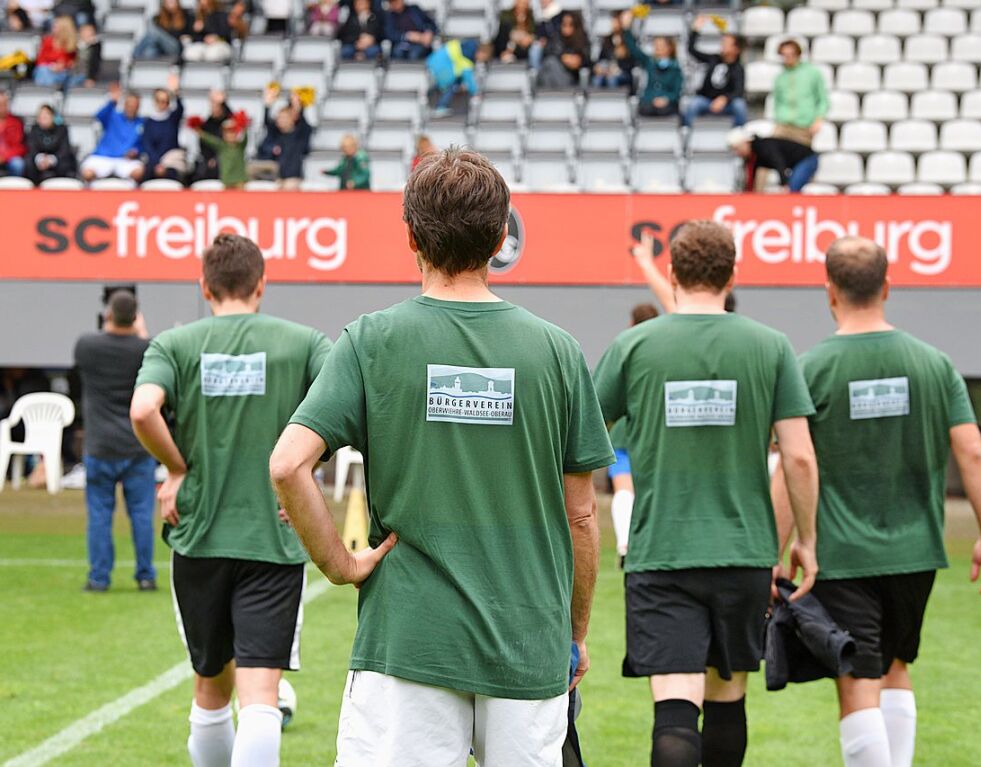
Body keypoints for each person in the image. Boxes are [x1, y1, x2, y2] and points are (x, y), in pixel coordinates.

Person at [269, 147, 613, 766]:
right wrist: (575, 633)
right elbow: (582, 517)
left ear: (409, 236)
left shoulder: (372, 339)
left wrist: (340, 566)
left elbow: (287, 464)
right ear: (502, 235)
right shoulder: (558, 352)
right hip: (528, 639)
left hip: (408, 640)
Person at [593, 220, 819, 767]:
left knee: (674, 709)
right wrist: (805, 540)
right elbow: (800, 457)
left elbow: (582, 439)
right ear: (732, 274)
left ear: (671, 273)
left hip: (661, 554)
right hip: (743, 556)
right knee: (726, 701)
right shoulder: (771, 346)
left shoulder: (634, 345)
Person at [772, 237, 981, 767]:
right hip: (917, 552)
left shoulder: (810, 369)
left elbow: (793, 466)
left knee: (858, 680)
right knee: (897, 666)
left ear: (828, 291)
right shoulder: (933, 363)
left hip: (843, 555)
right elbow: (970, 450)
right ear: (888, 286)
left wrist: (773, 548)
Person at [130, 233, 332, 767]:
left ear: (204, 286)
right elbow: (351, 410)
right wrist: (307, 468)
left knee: (210, 688)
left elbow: (143, 410)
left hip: (198, 538)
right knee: (260, 695)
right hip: (274, 538)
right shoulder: (304, 342)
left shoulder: (174, 345)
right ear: (261, 285)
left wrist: (176, 467)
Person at [74, 291, 156, 593]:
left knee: (98, 515)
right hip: (138, 445)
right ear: (135, 317)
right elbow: (153, 351)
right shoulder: (145, 348)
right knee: (141, 515)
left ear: (108, 314)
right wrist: (141, 333)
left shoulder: (87, 346)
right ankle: (146, 576)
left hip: (100, 446)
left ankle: (99, 578)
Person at [608, 302, 659, 567]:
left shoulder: (625, 348)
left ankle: (625, 543)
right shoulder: (664, 353)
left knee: (624, 489)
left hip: (623, 432)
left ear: (631, 323)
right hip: (654, 433)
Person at [685, 15, 746, 127]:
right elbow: (692, 50)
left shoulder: (738, 68)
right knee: (693, 104)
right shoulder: (713, 59)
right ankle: (687, 134)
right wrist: (695, 31)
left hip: (727, 104)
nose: (722, 45)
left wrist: (724, 99)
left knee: (739, 105)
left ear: (736, 49)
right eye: (723, 42)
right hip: (707, 101)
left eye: (726, 43)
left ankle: (739, 135)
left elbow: (738, 91)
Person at [621, 10, 682, 118]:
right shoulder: (649, 62)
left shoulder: (676, 68)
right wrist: (626, 29)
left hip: (667, 106)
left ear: (669, 48)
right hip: (649, 103)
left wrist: (666, 99)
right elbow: (634, 49)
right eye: (656, 46)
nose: (657, 49)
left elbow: (676, 92)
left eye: (661, 46)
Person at [80, 83, 144, 184]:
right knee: (87, 173)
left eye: (134, 105)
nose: (131, 108)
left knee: (138, 173)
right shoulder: (113, 117)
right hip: (103, 156)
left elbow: (143, 144)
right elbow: (99, 116)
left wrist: (136, 151)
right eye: (129, 105)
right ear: (125, 105)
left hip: (125, 160)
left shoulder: (142, 123)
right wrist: (112, 102)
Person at [772, 39, 829, 146]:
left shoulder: (812, 73)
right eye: (784, 55)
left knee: (801, 159)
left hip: (804, 127)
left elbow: (823, 100)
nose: (787, 57)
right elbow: (777, 102)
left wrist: (818, 120)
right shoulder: (780, 78)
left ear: (798, 54)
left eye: (791, 54)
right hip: (783, 125)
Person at [727, 127, 819, 193]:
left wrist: (784, 184)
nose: (737, 153)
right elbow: (752, 176)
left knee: (792, 190)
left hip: (807, 158)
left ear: (746, 143)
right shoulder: (752, 156)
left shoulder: (763, 147)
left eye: (737, 149)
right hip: (795, 163)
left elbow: (779, 162)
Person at [254, 86, 311, 189]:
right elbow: (267, 123)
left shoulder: (298, 135)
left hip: (293, 177)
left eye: (284, 118)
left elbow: (304, 125)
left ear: (292, 119)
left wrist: (298, 107)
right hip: (277, 177)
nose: (281, 121)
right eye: (279, 118)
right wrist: (268, 105)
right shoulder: (277, 134)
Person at [141, 75, 186, 181]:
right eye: (159, 100)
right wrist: (157, 163)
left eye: (165, 101)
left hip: (171, 160)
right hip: (154, 161)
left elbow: (180, 109)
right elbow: (147, 145)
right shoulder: (149, 122)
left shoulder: (172, 118)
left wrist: (176, 92)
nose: (162, 104)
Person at [427, 38, 483, 117]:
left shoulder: (454, 44)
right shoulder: (466, 61)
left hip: (430, 64)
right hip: (442, 73)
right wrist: (475, 93)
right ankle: (440, 107)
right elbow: (469, 80)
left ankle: (429, 102)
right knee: (452, 86)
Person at [193, 109, 248, 188]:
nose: (230, 136)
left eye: (233, 133)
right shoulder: (222, 146)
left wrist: (244, 125)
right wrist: (199, 132)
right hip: (226, 180)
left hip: (240, 180)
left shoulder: (240, 146)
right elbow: (210, 139)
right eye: (227, 133)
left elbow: (245, 137)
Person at [536, 10, 589, 89]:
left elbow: (587, 59)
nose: (566, 28)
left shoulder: (583, 39)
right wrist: (562, 57)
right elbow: (548, 52)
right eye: (564, 24)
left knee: (550, 65)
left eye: (570, 25)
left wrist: (579, 61)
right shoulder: (556, 37)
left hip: (573, 76)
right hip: (557, 72)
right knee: (549, 65)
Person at [25, 103, 76, 184]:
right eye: (40, 117)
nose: (43, 120)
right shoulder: (34, 130)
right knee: (28, 163)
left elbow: (64, 149)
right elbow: (31, 148)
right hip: (39, 163)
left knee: (66, 163)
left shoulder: (62, 130)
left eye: (46, 117)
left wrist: (51, 160)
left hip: (57, 162)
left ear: (52, 117)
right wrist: (40, 159)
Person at [190, 89, 232, 183]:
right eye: (213, 106)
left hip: (224, 158)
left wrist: (223, 102)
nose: (215, 109)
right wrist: (209, 158)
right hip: (207, 159)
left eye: (218, 106)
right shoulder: (207, 124)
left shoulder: (226, 122)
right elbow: (203, 144)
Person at [33, 15, 80, 88]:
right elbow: (40, 60)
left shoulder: (71, 44)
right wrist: (52, 66)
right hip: (48, 71)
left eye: (55, 27)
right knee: (43, 71)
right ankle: (47, 93)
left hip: (64, 73)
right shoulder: (47, 41)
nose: (52, 29)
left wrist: (62, 66)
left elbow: (71, 62)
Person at [591, 11, 634, 90]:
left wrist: (622, 58)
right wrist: (600, 68)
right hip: (607, 71)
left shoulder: (628, 39)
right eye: (613, 21)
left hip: (623, 73)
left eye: (617, 21)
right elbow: (601, 58)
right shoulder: (607, 39)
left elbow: (632, 61)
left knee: (612, 79)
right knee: (597, 79)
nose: (615, 24)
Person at [529, 0, 564, 70]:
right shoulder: (541, 16)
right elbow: (539, 34)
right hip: (546, 46)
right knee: (535, 47)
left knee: (536, 49)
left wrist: (548, 41)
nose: (542, 1)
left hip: (557, 45)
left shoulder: (559, 15)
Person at [0, 90, 26, 177]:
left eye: (4, 104)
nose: (2, 107)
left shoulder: (16, 122)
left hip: (10, 157)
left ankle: (15, 189)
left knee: (18, 164)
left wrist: (4, 157)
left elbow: (20, 146)